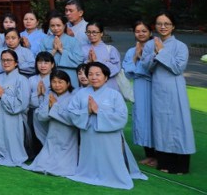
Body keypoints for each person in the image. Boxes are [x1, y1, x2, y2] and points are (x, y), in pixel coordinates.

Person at [64, 62, 146, 189]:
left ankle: (112, 175)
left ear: (106, 77)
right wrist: (87, 111)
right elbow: (71, 112)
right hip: (89, 134)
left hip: (109, 138)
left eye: (98, 74)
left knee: (110, 159)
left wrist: (98, 111)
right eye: (90, 74)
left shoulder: (115, 95)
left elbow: (122, 117)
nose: (94, 77)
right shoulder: (81, 94)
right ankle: (88, 173)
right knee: (91, 157)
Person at [150, 11, 195, 174]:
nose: (163, 27)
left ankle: (180, 165)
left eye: (166, 24)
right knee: (161, 125)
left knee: (178, 124)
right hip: (157, 89)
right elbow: (147, 67)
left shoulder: (180, 46)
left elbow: (177, 68)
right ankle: (164, 162)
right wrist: (154, 54)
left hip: (175, 90)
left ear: (173, 26)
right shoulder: (151, 44)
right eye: (159, 23)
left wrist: (162, 52)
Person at [24, 70, 78, 177]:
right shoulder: (50, 95)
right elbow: (40, 115)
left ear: (68, 83)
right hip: (52, 131)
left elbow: (72, 118)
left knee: (62, 163)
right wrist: (49, 106)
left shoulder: (74, 97)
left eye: (60, 82)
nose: (57, 85)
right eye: (54, 82)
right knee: (43, 161)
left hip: (67, 134)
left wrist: (55, 106)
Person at [123, 20, 155, 165]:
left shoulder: (156, 48)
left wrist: (141, 60)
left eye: (144, 31)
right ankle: (149, 154)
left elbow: (152, 69)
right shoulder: (131, 51)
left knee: (155, 119)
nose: (140, 34)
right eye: (137, 31)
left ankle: (159, 155)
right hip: (139, 87)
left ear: (150, 32)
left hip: (154, 86)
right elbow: (127, 72)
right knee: (141, 118)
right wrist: (136, 57)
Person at [0, 49, 30, 167]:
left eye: (9, 60)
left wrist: (3, 95)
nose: (6, 63)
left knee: (13, 138)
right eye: (3, 60)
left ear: (16, 62)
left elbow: (22, 104)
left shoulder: (22, 80)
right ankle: (0, 155)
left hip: (14, 116)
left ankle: (15, 156)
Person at [42, 14, 84, 87]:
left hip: (70, 74)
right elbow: (39, 61)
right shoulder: (44, 41)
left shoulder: (73, 41)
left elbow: (79, 61)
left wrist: (61, 50)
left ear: (64, 26)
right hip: (50, 75)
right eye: (52, 26)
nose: (55, 28)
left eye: (58, 25)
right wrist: (54, 50)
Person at [81, 21, 121, 91]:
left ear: (101, 33)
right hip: (89, 87)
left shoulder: (110, 49)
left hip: (109, 86)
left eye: (94, 32)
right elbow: (79, 69)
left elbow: (116, 68)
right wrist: (88, 62)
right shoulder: (82, 49)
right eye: (88, 32)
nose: (91, 35)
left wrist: (97, 61)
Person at [28, 51, 56, 147]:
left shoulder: (56, 79)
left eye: (46, 62)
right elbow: (27, 101)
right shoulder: (31, 80)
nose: (42, 65)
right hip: (34, 114)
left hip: (50, 114)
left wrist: (44, 94)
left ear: (52, 64)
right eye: (40, 62)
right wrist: (37, 94)